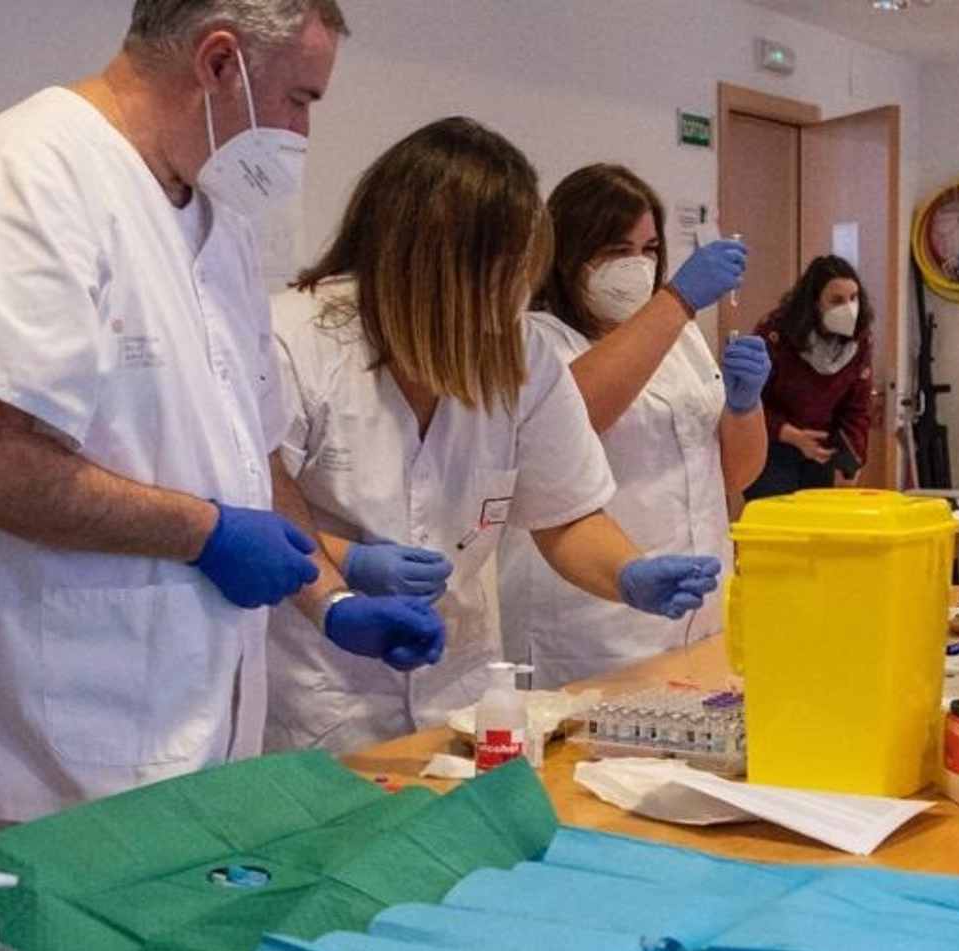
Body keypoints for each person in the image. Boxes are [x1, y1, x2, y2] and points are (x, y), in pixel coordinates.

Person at [0, 0, 439, 862]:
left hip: (190, 734)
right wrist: (206, 532)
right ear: (219, 62)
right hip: (38, 746)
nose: (301, 132)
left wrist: (329, 598)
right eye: (300, 100)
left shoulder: (216, 216)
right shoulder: (29, 174)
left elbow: (242, 456)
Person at [265, 120, 722, 754]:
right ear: (417, 266)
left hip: (461, 688)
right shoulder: (296, 340)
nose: (506, 309)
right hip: (320, 690)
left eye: (519, 278)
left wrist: (628, 572)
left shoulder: (520, 351)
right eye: (493, 279)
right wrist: (338, 593)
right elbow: (255, 498)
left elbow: (565, 515)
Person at [496, 164, 765, 687]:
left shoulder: (680, 337)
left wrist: (745, 407)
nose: (638, 267)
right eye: (618, 252)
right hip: (589, 625)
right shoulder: (535, 339)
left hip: (697, 615)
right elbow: (570, 421)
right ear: (568, 255)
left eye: (649, 250)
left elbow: (735, 476)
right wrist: (678, 301)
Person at [744, 256, 875, 499]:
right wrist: (791, 435)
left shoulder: (860, 341)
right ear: (815, 303)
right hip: (771, 447)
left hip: (819, 451)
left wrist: (852, 460)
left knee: (814, 530)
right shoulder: (775, 333)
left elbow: (858, 407)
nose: (849, 308)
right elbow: (748, 400)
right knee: (777, 529)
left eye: (853, 298)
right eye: (837, 300)